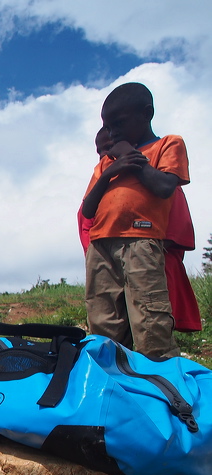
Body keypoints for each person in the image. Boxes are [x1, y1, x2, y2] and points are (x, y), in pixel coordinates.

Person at [81, 82, 190, 358]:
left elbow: (164, 187)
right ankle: (111, 371)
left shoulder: (168, 144)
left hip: (141, 241)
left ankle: (158, 373)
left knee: (149, 316)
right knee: (103, 316)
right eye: (107, 127)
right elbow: (89, 209)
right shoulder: (107, 162)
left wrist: (131, 157)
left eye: (118, 124)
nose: (112, 133)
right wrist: (110, 171)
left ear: (146, 114)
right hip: (100, 245)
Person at [79, 127, 200, 333]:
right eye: (100, 151)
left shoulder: (156, 176)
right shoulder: (104, 176)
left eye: (110, 147)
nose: (105, 155)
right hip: (106, 258)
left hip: (150, 256)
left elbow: (176, 230)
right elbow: (86, 218)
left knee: (149, 321)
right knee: (109, 321)